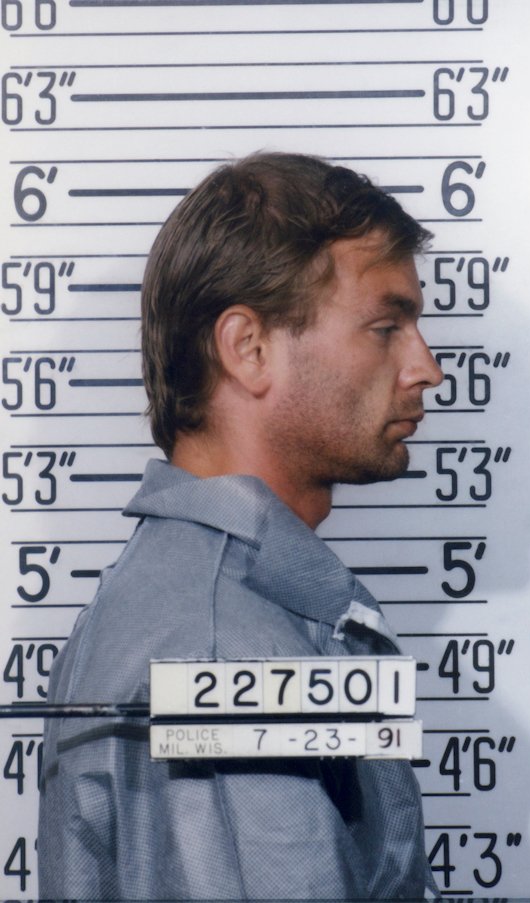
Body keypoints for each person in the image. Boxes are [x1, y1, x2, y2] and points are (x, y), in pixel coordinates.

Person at [38, 153, 443, 899]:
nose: (427, 368)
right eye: (386, 327)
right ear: (248, 349)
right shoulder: (225, 647)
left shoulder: (184, 599)